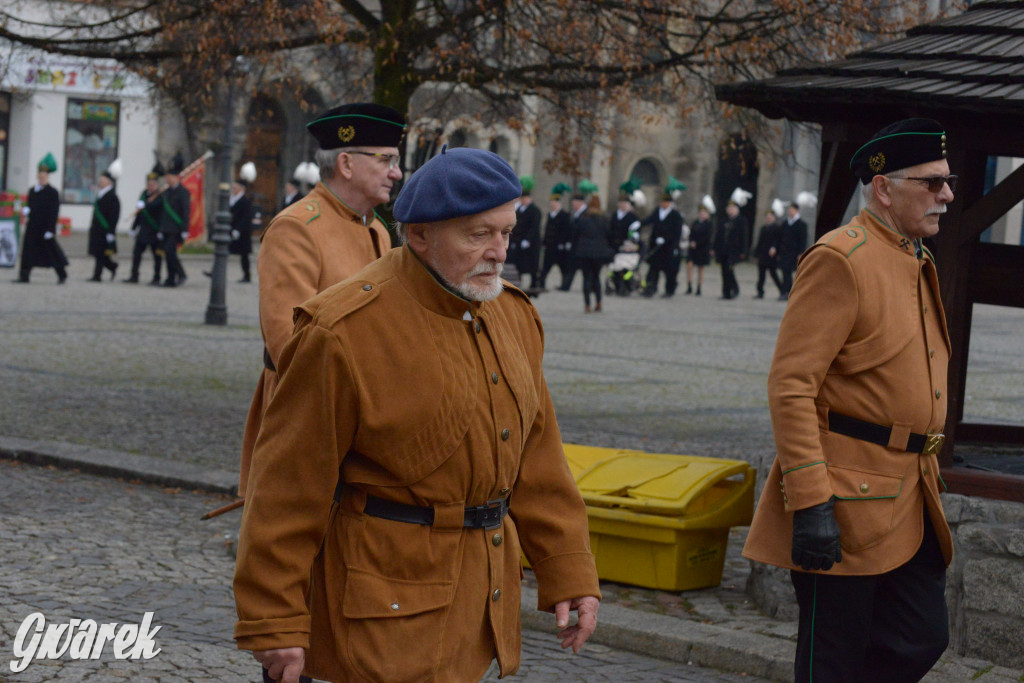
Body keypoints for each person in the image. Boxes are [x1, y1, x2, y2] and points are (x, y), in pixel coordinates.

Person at [233, 146, 601, 683]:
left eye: (506, 231)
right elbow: (286, 488)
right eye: (478, 235)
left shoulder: (515, 316)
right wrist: (276, 621)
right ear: (421, 234)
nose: (499, 252)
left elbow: (538, 461)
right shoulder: (342, 333)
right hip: (379, 616)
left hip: (478, 608)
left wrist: (568, 569)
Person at [743, 118, 956, 683]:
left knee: (920, 637)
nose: (947, 195)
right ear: (884, 188)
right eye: (932, 183)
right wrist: (810, 499)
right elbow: (791, 385)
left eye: (946, 181)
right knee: (833, 661)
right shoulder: (841, 258)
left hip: (908, 492)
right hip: (845, 496)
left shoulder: (913, 256)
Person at [236, 102, 405, 500]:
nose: (396, 172)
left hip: (365, 420)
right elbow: (289, 346)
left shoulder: (378, 229)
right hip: (308, 420)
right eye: (387, 160)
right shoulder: (297, 228)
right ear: (346, 163)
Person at [15, 153, 68, 285]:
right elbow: (30, 205)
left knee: (51, 251)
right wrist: (26, 210)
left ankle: (62, 273)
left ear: (48, 177)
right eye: (40, 176)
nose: (42, 178)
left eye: (44, 176)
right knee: (28, 252)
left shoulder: (52, 192)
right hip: (33, 226)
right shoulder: (33, 190)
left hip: (45, 227)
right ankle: (24, 275)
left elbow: (54, 212)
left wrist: (51, 229)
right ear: (37, 176)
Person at [124, 163, 165, 285]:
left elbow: (159, 210)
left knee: (156, 256)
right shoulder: (143, 194)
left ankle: (156, 277)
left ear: (157, 185)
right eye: (148, 184)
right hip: (143, 230)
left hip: (154, 230)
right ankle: (134, 276)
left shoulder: (160, 196)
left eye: (152, 184)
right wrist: (133, 228)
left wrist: (147, 205)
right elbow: (139, 213)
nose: (150, 186)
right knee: (136, 254)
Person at [572, 194, 613, 312]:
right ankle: (599, 302)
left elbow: (576, 235)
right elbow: (609, 235)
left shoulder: (583, 219)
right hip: (599, 253)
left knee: (586, 278)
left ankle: (587, 304)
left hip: (584, 252)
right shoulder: (604, 219)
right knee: (596, 277)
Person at [641, 187, 684, 298]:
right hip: (656, 245)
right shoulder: (657, 212)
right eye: (662, 202)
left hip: (668, 247)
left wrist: (674, 245)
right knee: (653, 269)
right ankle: (650, 288)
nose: (664, 204)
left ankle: (669, 290)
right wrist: (639, 224)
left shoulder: (675, 215)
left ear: (670, 203)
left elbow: (677, 232)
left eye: (666, 202)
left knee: (669, 271)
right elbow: (649, 220)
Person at [158, 153, 190, 288]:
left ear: (176, 177)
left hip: (176, 228)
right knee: (169, 253)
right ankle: (176, 276)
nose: (167, 179)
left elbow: (185, 211)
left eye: (169, 177)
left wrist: (184, 230)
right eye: (166, 177)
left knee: (170, 252)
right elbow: (162, 211)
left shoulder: (183, 192)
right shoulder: (166, 192)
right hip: (165, 228)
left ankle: (173, 277)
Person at [87, 159, 122, 282]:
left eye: (103, 180)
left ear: (109, 183)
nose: (100, 182)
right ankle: (112, 266)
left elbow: (114, 216)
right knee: (97, 252)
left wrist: (111, 232)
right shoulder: (100, 194)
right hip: (96, 228)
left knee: (101, 254)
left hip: (105, 229)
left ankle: (97, 275)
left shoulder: (113, 197)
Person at [608, 182, 642, 296]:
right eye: (621, 203)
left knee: (627, 269)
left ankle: (627, 284)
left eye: (625, 203)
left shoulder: (633, 217)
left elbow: (635, 232)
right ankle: (617, 284)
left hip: (628, 247)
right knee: (615, 268)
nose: (622, 205)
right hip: (615, 246)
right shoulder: (614, 216)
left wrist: (631, 242)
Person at [538, 183, 572, 291]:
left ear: (559, 203)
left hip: (560, 246)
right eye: (551, 203)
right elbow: (547, 229)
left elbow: (566, 231)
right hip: (550, 245)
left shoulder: (565, 215)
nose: (552, 205)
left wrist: (564, 242)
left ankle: (564, 285)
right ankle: (541, 283)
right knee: (545, 266)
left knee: (563, 267)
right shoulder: (550, 215)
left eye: (554, 203)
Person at [511, 176, 542, 290]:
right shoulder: (519, 210)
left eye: (524, 199)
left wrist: (528, 240)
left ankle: (534, 283)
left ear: (528, 198)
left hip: (531, 243)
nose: (523, 201)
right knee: (519, 263)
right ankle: (518, 282)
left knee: (533, 264)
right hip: (520, 241)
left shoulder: (535, 211)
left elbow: (534, 227)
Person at [228, 163, 257, 283]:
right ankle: (215, 271)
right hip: (232, 228)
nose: (233, 189)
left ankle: (247, 275)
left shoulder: (245, 200)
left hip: (242, 231)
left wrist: (238, 230)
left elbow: (246, 217)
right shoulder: (231, 198)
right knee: (223, 250)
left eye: (235, 187)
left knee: (244, 255)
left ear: (241, 189)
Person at [713, 198, 747, 300]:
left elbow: (744, 236)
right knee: (724, 271)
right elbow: (718, 235)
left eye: (733, 208)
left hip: (734, 250)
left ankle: (734, 289)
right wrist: (714, 248)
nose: (730, 210)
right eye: (729, 208)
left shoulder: (741, 221)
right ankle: (726, 292)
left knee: (729, 270)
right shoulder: (724, 220)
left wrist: (743, 251)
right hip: (723, 250)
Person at [777, 201, 808, 300]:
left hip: (793, 253)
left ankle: (788, 292)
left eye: (792, 210)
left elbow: (803, 240)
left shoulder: (801, 224)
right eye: (789, 210)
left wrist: (800, 253)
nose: (790, 212)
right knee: (785, 272)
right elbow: (779, 237)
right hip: (784, 252)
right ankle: (785, 292)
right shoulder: (785, 223)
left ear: (796, 211)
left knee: (788, 272)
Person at [686, 197, 714, 296]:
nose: (702, 214)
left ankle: (699, 287)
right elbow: (691, 234)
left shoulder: (709, 224)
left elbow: (707, 237)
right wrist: (691, 241)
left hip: (702, 248)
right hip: (693, 249)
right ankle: (689, 285)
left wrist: (697, 243)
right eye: (701, 213)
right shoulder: (695, 223)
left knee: (700, 268)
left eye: (704, 213)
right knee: (689, 265)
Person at [752, 209, 782, 299]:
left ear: (774, 218)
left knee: (773, 274)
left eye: (770, 217)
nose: (768, 218)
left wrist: (775, 248)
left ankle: (782, 290)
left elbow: (778, 241)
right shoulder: (763, 228)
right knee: (761, 275)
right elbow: (760, 242)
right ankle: (760, 291)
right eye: (767, 217)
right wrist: (756, 254)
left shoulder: (777, 228)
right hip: (763, 254)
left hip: (771, 255)